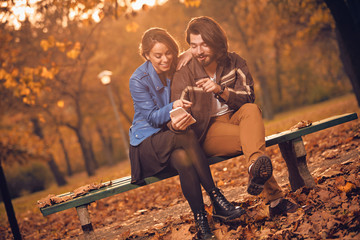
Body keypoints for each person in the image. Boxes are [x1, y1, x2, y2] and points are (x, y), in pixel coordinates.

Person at [171, 16, 298, 217]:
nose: (198, 51)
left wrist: (220, 89)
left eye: (204, 44)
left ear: (216, 42)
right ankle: (275, 199)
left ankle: (255, 168)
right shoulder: (184, 72)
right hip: (207, 129)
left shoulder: (235, 61)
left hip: (236, 116)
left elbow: (248, 97)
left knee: (252, 109)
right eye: (193, 46)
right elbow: (177, 109)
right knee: (249, 140)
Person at [129, 27, 245, 240]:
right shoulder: (138, 79)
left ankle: (202, 223)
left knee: (184, 159)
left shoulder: (177, 66)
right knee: (185, 136)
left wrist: (190, 52)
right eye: (158, 55)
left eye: (169, 53)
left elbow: (207, 50)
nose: (165, 59)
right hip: (147, 144)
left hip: (175, 140)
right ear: (146, 55)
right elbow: (153, 118)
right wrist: (174, 105)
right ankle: (216, 198)